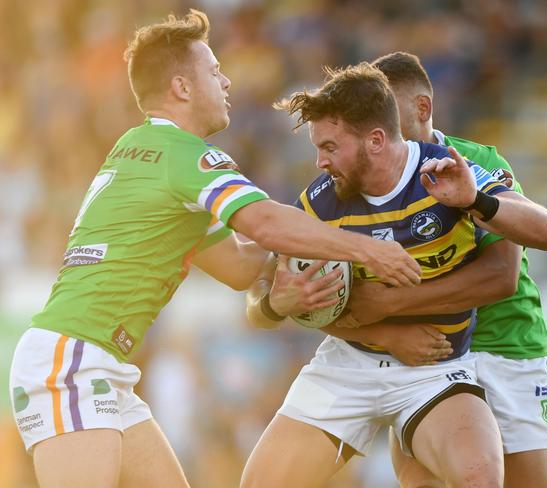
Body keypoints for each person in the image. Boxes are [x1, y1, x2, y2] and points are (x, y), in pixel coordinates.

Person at [8, 12, 422, 488]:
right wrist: (367, 247)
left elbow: (241, 265)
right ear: (182, 87)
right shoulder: (184, 154)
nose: (227, 80)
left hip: (97, 364)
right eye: (214, 71)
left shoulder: (142, 149)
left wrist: (282, 289)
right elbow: (264, 223)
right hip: (75, 362)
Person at [241, 62, 547, 488]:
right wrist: (274, 304)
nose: (320, 161)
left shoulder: (447, 172)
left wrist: (476, 200)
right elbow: (263, 296)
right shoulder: (320, 203)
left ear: (376, 139)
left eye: (330, 147)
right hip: (347, 367)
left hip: (434, 370)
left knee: (480, 478)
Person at [352, 51, 547, 488]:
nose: (378, 132)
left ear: (422, 108)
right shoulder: (364, 180)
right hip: (432, 353)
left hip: (505, 346)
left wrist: (394, 303)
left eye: (388, 114)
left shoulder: (477, 164)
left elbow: (501, 277)